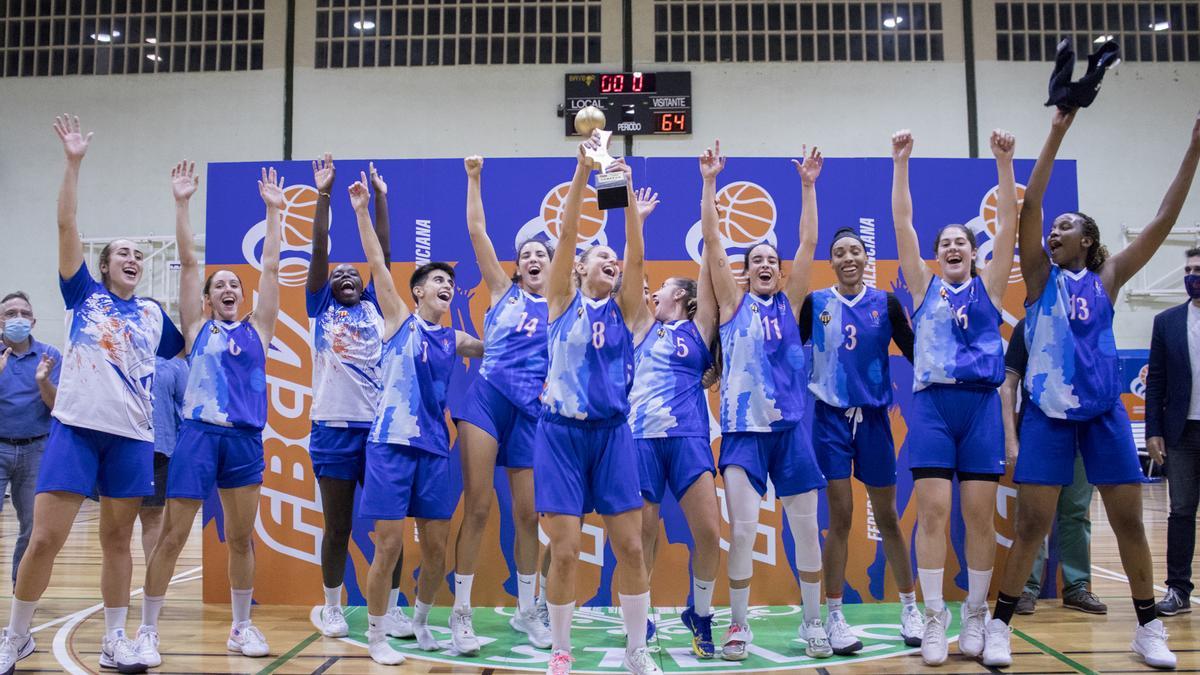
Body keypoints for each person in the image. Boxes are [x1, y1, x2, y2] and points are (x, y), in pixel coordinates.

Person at [988, 108, 1200, 670]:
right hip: (1048, 416)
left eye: (1065, 227)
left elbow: (1164, 216)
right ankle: (999, 626)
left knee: (1128, 521)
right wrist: (1057, 129)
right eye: (1051, 228)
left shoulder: (1109, 277)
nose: (1053, 232)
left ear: (1088, 239)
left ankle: (1148, 626)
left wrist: (1195, 146)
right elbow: (1029, 207)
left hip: (1103, 415)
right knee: (1032, 524)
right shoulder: (1038, 277)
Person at [0, 115, 185, 675]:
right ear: (103, 266)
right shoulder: (83, 296)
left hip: (132, 437)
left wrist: (181, 207)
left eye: (136, 254)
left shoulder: (156, 316)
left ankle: (113, 639)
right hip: (76, 429)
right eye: (121, 252)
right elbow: (66, 224)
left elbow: (191, 331)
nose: (131, 257)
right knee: (44, 540)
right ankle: (15, 637)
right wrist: (73, 163)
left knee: (117, 543)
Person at [137, 161, 283, 667]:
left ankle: (242, 627)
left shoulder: (258, 330)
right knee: (174, 536)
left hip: (244, 439)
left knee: (241, 539)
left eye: (233, 286)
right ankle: (147, 631)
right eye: (218, 285)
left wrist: (273, 211)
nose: (227, 288)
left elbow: (269, 268)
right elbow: (188, 261)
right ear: (204, 299)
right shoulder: (198, 329)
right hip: (198, 436)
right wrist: (181, 203)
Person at [891, 128, 1017, 667]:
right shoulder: (922, 286)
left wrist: (1003, 163)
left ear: (973, 251)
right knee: (935, 514)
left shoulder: (990, 286)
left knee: (981, 517)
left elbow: (1009, 219)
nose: (950, 248)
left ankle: (976, 617)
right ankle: (936, 617)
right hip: (936, 408)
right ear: (936, 255)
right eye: (943, 243)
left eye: (959, 242)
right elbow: (902, 221)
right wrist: (901, 164)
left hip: (981, 407)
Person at [347, 170, 484, 666]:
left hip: (432, 449)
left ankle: (424, 622)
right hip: (388, 446)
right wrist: (363, 211)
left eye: (450, 281)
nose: (447, 286)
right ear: (419, 292)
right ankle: (378, 634)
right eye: (438, 281)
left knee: (435, 549)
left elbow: (499, 349)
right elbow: (378, 263)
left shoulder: (456, 339)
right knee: (387, 547)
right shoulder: (397, 320)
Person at [703, 141, 831, 661]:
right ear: (744, 270)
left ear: (779, 272)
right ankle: (737, 627)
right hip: (741, 434)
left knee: (805, 529)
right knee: (743, 530)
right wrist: (710, 183)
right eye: (753, 259)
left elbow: (807, 243)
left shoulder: (792, 300)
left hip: (790, 434)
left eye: (769, 261)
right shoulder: (732, 305)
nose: (763, 264)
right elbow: (713, 244)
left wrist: (807, 186)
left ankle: (813, 623)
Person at [536, 135, 658, 675]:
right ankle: (562, 651)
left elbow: (636, 251)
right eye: (599, 257)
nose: (610, 261)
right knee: (564, 552)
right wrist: (584, 170)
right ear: (579, 269)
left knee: (630, 548)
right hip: (559, 435)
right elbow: (566, 232)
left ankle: (637, 650)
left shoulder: (629, 309)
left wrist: (625, 189)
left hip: (612, 435)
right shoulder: (559, 302)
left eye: (613, 260)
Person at [797, 227, 923, 653]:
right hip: (829, 420)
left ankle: (911, 607)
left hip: (873, 420)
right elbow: (782, 349)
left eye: (855, 250)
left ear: (867, 257)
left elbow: (918, 352)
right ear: (830, 262)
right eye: (839, 253)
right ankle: (833, 615)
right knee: (842, 517)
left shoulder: (885, 303)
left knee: (888, 517)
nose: (848, 257)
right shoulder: (815, 303)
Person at [304, 155, 412, 640]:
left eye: (353, 275)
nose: (345, 277)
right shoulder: (319, 307)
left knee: (390, 530)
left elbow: (382, 256)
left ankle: (393, 607)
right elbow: (318, 255)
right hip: (331, 430)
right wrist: (324, 195)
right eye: (337, 275)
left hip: (381, 433)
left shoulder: (375, 306)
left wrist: (380, 199)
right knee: (338, 527)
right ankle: (331, 606)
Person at [450, 155, 554, 652]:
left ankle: (529, 611)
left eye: (542, 253)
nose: (533, 258)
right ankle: (462, 614)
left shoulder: (563, 306)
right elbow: (477, 232)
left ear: (553, 266)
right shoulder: (500, 290)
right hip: (488, 403)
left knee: (530, 517)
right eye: (527, 254)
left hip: (531, 414)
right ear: (519, 266)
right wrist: (474, 179)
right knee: (478, 507)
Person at [626, 164, 721, 659]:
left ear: (679, 297)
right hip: (639, 439)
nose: (653, 292)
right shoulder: (641, 324)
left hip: (687, 438)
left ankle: (699, 614)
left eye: (663, 288)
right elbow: (635, 267)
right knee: (640, 539)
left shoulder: (698, 327)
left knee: (709, 534)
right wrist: (635, 217)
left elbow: (710, 263)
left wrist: (708, 192)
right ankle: (640, 625)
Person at [1000, 318, 1104, 616]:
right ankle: (1025, 587)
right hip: (1039, 430)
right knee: (1032, 517)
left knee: (1077, 512)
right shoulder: (1028, 326)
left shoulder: (1090, 324)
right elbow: (1009, 383)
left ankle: (1077, 587)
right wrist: (1011, 437)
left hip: (1082, 429)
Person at [1147, 247, 1200, 617]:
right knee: (1181, 511)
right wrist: (1153, 431)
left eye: (1198, 269)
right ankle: (1178, 590)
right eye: (1188, 268)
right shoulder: (1167, 322)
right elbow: (1156, 383)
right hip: (1182, 433)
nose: (1192, 275)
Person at [0, 292, 60, 585]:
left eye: (24, 313)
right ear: (0, 321)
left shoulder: (50, 356)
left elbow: (57, 406)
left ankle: (19, 590)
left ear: (33, 321)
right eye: (11, 313)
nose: (18, 318)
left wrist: (43, 381)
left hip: (36, 449)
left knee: (33, 527)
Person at [139, 349, 188, 566]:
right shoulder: (118, 357)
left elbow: (185, 409)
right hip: (121, 448)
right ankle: (117, 595)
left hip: (160, 450)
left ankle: (152, 587)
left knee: (152, 518)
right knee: (116, 525)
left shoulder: (174, 365)